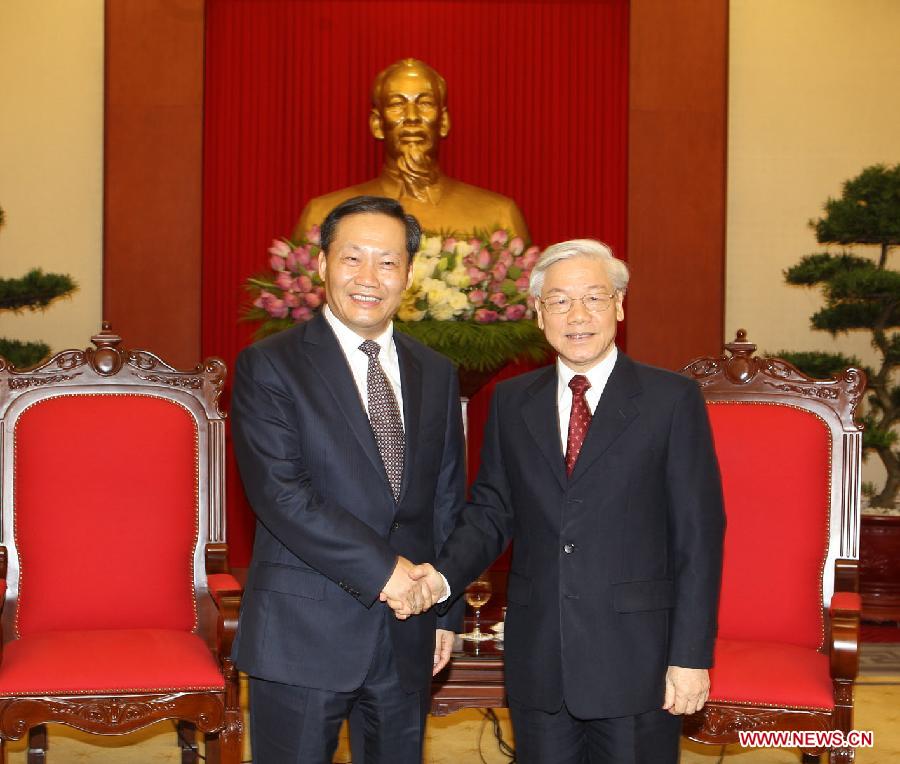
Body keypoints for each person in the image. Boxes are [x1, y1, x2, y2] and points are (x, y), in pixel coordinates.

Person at [411, 239, 725, 763]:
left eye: (594, 298)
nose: (577, 315)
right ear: (538, 314)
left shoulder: (671, 400)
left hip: (638, 660)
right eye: (559, 301)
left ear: (620, 306)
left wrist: (690, 656)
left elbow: (699, 534)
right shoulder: (513, 403)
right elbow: (491, 512)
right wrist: (441, 581)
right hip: (541, 658)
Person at [230, 195, 465, 763]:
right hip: (302, 631)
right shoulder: (270, 365)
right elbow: (282, 495)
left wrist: (443, 610)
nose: (368, 277)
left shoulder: (436, 372)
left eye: (386, 262)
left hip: (409, 630)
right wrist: (387, 573)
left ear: (408, 274)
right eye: (352, 258)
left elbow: (445, 498)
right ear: (322, 264)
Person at [294, 58, 529, 239]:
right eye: (397, 104)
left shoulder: (499, 216)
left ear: (444, 122)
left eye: (425, 103)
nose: (412, 117)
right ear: (377, 124)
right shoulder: (322, 215)